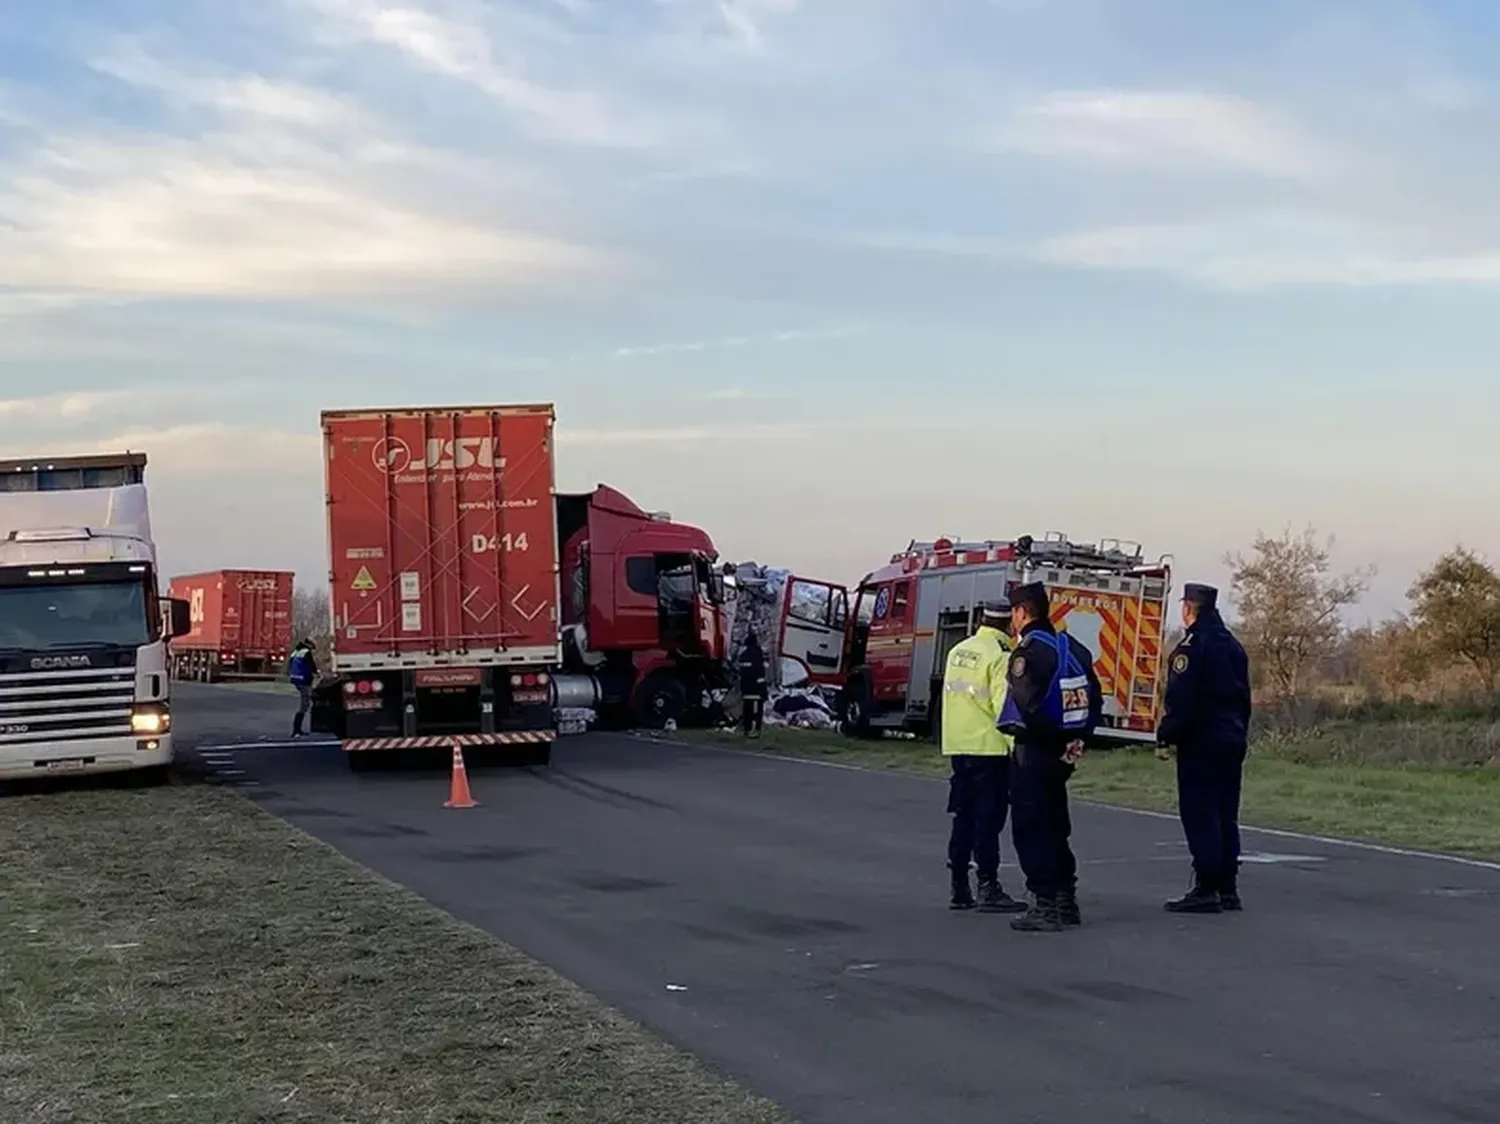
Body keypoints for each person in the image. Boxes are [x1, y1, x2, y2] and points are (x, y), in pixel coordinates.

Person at [997, 581, 1103, 932]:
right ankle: (1065, 900)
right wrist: (1077, 739)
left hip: (1036, 752)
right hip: (1065, 754)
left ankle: (1045, 903)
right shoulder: (1072, 647)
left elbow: (1028, 709)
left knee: (1032, 827)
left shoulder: (1027, 654)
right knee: (1056, 824)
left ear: (1021, 612)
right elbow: (1094, 699)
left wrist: (1056, 741)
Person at [1156, 582, 1253, 913]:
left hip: (1202, 739)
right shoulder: (1234, 646)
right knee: (1226, 812)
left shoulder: (1192, 648)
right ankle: (1228, 887)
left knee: (1200, 811)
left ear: (1188, 609)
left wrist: (1167, 735)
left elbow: (1182, 701)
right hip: (1232, 737)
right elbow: (1245, 700)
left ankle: (1206, 887)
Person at [940, 601, 1026, 913]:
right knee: (988, 820)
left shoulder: (958, 651)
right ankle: (988, 885)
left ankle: (959, 885)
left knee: (963, 815)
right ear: (1009, 625)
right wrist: (1018, 750)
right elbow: (1005, 711)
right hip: (989, 749)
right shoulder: (1000, 657)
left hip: (959, 745)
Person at [737, 632, 768, 738]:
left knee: (747, 711)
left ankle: (747, 729)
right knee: (757, 712)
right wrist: (763, 689)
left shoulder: (743, 656)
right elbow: (760, 673)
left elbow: (742, 673)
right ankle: (755, 731)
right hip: (757, 689)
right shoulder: (758, 655)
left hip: (746, 689)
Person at [288, 638, 317, 739]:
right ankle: (296, 730)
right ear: (309, 645)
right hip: (304, 680)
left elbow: (290, 665)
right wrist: (316, 673)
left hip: (296, 679)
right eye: (312, 647)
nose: (312, 649)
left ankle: (297, 730)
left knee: (304, 704)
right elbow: (311, 665)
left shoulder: (295, 651)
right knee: (304, 705)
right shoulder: (306, 652)